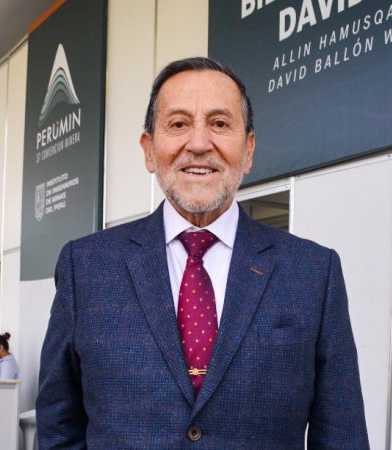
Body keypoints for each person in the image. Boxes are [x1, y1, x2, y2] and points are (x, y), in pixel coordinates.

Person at [37, 57, 369, 448]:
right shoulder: (86, 268)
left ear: (248, 150)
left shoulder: (313, 273)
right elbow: (58, 426)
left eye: (220, 124)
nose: (198, 144)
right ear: (148, 150)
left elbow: (342, 435)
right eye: (178, 124)